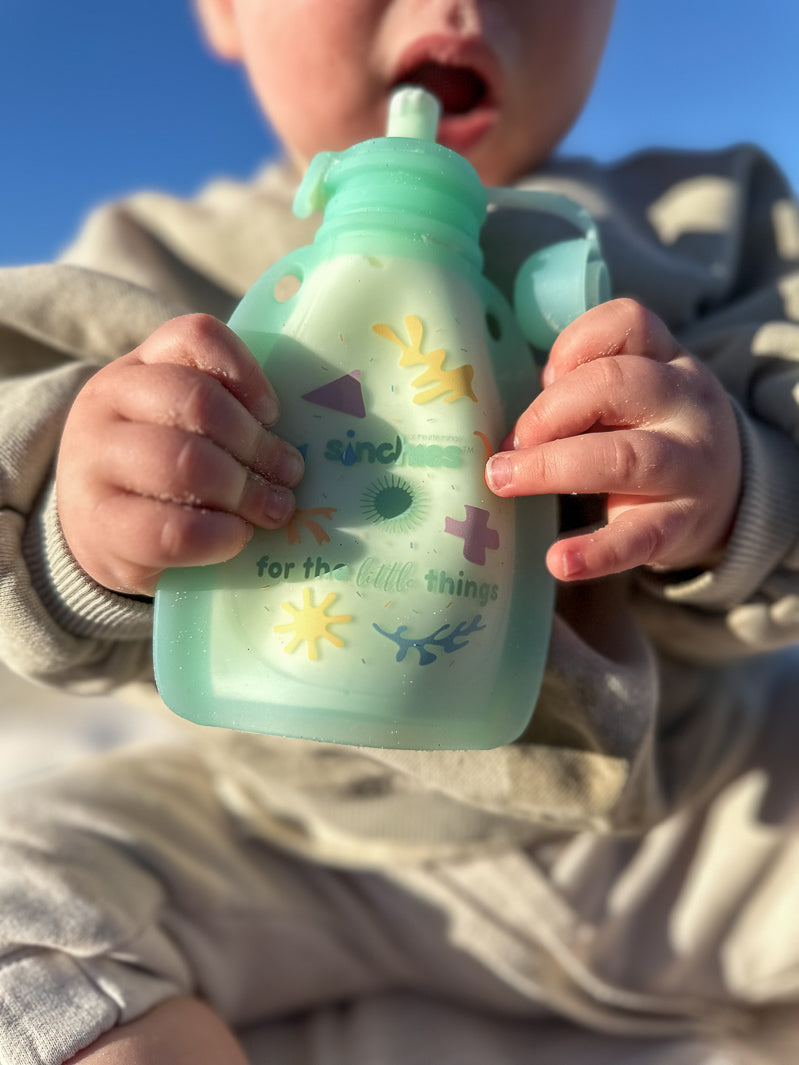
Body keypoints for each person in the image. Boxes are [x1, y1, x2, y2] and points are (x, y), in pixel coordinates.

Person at [2, 1, 799, 1062]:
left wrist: (737, 482)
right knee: (26, 915)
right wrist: (93, 532)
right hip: (288, 842)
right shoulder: (154, 262)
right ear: (226, 10)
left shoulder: (706, 216)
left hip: (699, 824)